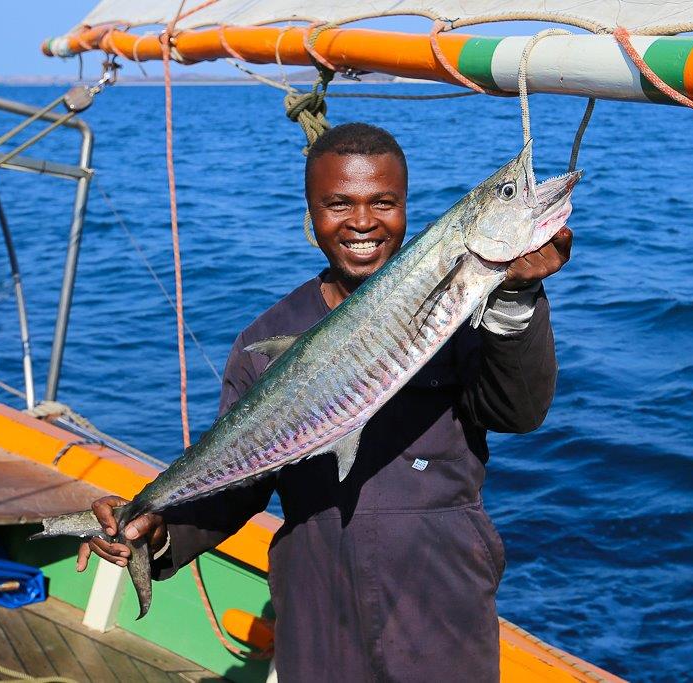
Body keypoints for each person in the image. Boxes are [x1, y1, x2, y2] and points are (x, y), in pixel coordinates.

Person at [76, 123, 572, 681]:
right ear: (310, 216)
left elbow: (518, 413)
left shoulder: (465, 305)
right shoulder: (267, 339)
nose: (362, 222)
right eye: (339, 204)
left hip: (442, 591)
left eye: (382, 202)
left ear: (406, 208)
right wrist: (160, 527)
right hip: (316, 592)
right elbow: (237, 487)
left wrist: (517, 294)